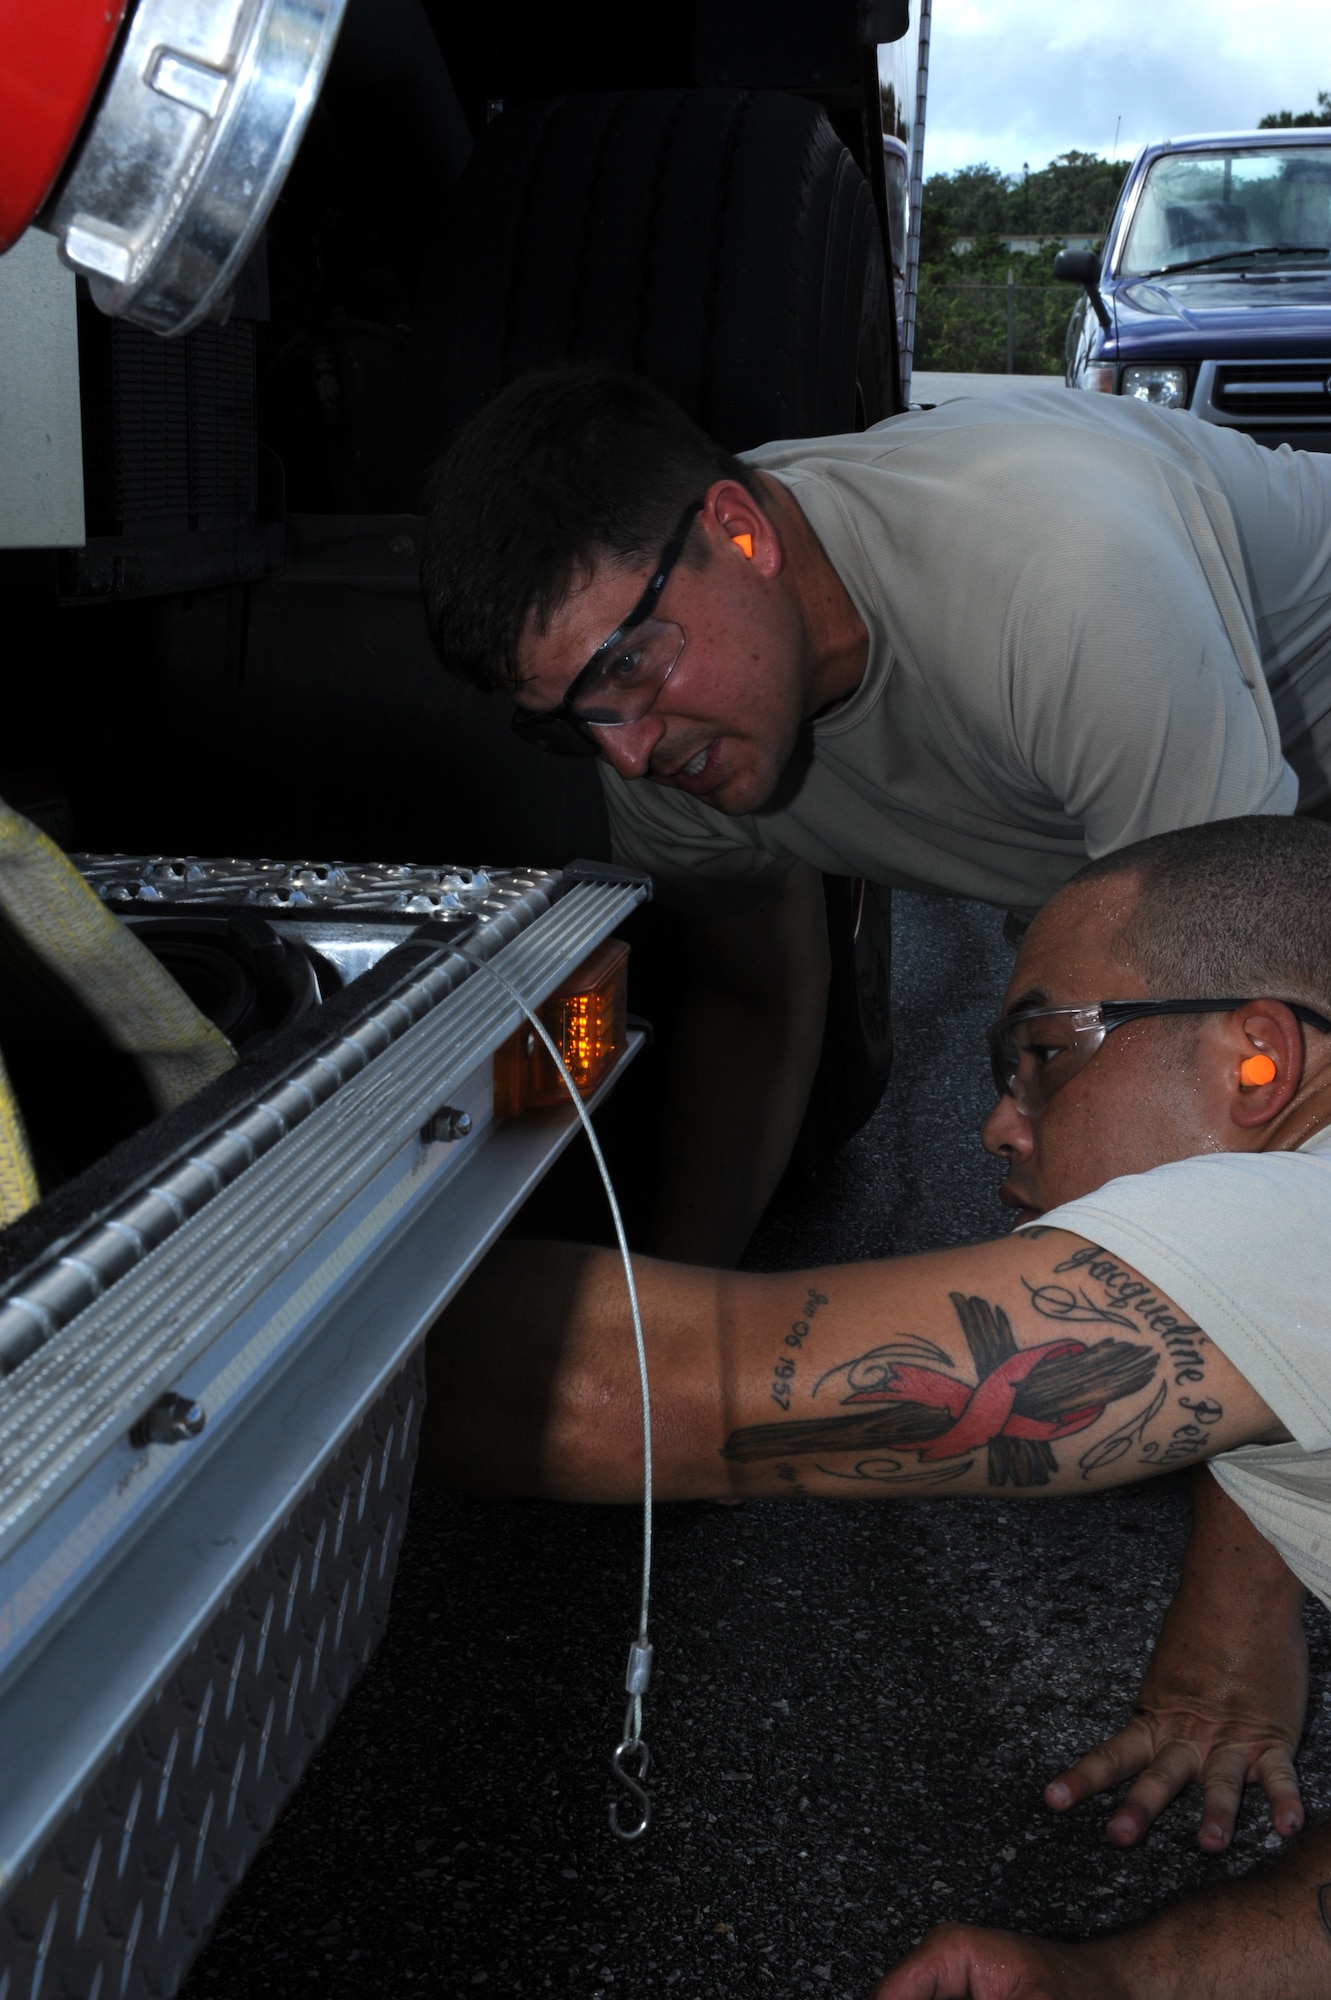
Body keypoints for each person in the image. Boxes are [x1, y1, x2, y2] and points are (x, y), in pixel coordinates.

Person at [422, 814, 1331, 1994]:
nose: (1000, 1123)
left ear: (1252, 1058)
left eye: (1045, 1051)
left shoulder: (1292, 1227)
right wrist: (1117, 1981)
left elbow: (629, 1388)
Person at [421, 366, 1331, 1266]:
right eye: (571, 721)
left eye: (626, 667)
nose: (624, 751)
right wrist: (670, 1303)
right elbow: (753, 1005)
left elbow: (1229, 1026)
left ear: (739, 533)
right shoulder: (657, 743)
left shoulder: (1059, 578)